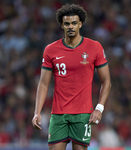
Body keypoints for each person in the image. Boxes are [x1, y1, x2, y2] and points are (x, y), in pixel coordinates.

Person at [31, 3, 111, 150]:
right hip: (58, 114)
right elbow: (43, 84)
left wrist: (99, 108)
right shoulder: (51, 50)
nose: (70, 26)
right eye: (66, 23)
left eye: (74, 23)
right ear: (62, 25)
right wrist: (37, 112)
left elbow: (106, 81)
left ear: (80, 24)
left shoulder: (94, 47)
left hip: (83, 115)